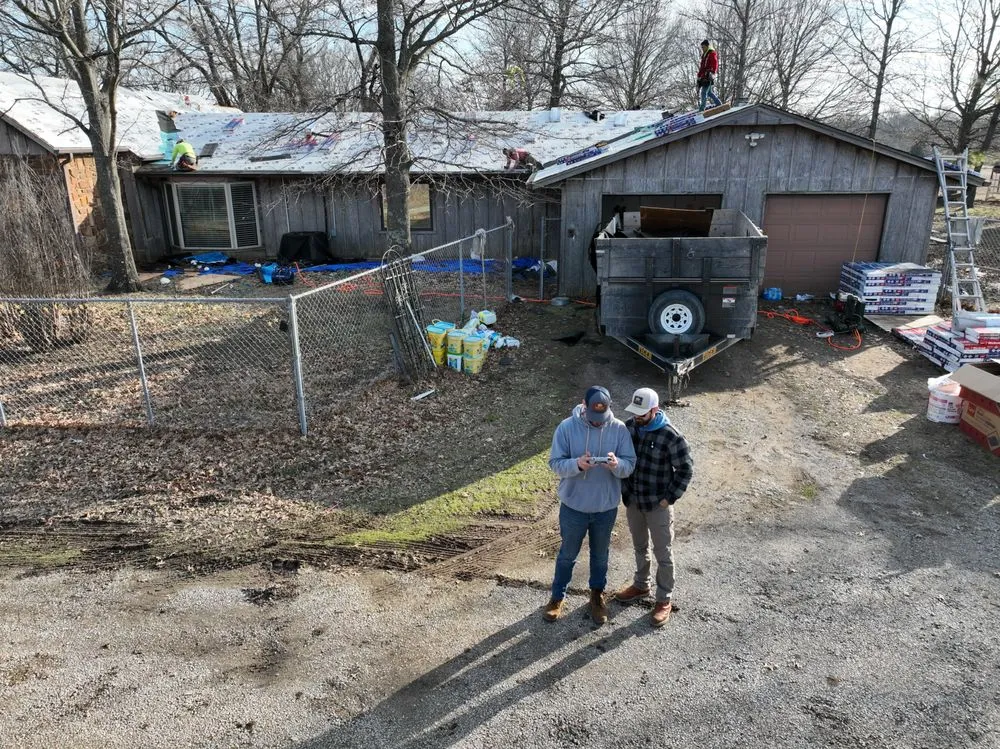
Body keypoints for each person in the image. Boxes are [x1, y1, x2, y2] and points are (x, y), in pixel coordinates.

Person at [545, 386, 637, 625]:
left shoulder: (618, 429)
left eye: (602, 418)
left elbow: (630, 465)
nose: (598, 423)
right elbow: (555, 463)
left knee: (600, 556)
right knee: (567, 555)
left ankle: (597, 597)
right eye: (594, 419)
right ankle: (557, 597)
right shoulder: (566, 427)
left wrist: (616, 465)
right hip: (573, 506)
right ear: (583, 406)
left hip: (605, 508)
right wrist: (577, 464)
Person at [614, 387, 694, 628]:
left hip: (658, 505)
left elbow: (686, 470)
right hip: (634, 502)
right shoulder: (630, 427)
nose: (637, 417)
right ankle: (641, 585)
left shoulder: (671, 436)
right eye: (635, 412)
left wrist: (669, 499)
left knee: (663, 553)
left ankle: (664, 599)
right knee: (640, 546)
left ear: (655, 410)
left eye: (642, 413)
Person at [696, 39, 722, 112]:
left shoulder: (712, 53)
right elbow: (702, 67)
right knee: (710, 93)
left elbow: (715, 64)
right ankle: (719, 104)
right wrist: (699, 76)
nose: (702, 49)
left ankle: (702, 109)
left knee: (704, 92)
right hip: (703, 76)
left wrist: (712, 72)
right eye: (702, 47)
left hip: (708, 76)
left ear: (707, 46)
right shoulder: (704, 55)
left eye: (703, 47)